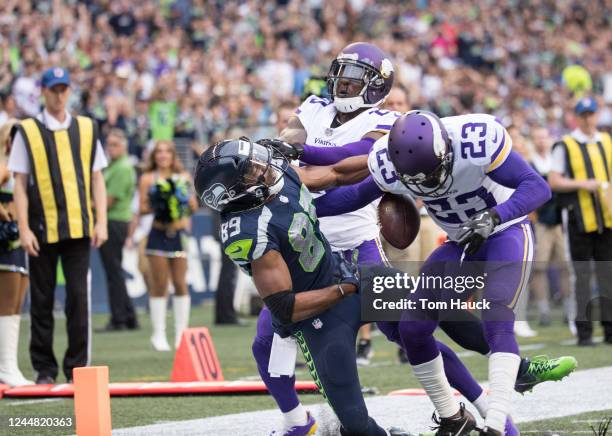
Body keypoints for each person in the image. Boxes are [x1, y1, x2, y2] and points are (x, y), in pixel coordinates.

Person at [277, 111, 578, 435]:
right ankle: (453, 419)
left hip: (505, 231)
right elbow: (354, 196)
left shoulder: (476, 139)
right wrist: (292, 206)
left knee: (496, 317)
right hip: (460, 242)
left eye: (432, 173)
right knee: (413, 327)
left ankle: (496, 427)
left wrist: (494, 216)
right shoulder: (388, 160)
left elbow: (537, 187)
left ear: (446, 150)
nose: (428, 184)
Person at [254, 42, 400, 434]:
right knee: (267, 341)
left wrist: (298, 151)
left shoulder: (387, 121)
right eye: (341, 75)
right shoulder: (315, 107)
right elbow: (288, 141)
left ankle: (462, 406)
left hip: (357, 244)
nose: (343, 85)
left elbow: (348, 159)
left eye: (355, 80)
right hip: (306, 249)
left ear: (376, 86)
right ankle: (297, 422)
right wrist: (284, 149)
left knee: (405, 329)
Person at [9, 67, 108, 384]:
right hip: (41, 228)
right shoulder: (27, 130)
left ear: (69, 91)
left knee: (78, 298)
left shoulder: (87, 128)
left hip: (79, 227)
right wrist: (23, 228)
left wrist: (102, 221)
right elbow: (20, 184)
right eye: (54, 89)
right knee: (41, 300)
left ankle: (77, 368)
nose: (59, 94)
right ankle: (45, 369)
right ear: (44, 92)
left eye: (64, 88)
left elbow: (97, 178)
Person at [548, 97, 612, 346]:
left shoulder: (606, 141)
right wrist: (583, 184)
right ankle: (584, 332)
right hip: (578, 218)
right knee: (582, 275)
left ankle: (609, 330)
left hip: (606, 219)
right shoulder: (565, 144)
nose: (588, 119)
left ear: (597, 115)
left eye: (591, 114)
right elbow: (554, 180)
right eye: (583, 114)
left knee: (607, 274)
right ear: (577, 116)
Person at [139, 140, 198, 351]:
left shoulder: (183, 177)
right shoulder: (148, 178)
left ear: (173, 156)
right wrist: (159, 202)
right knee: (160, 284)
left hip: (179, 234)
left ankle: (181, 334)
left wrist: (188, 204)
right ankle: (158, 334)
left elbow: (192, 205)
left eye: (167, 152)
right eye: (159, 152)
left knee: (181, 283)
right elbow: (142, 208)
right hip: (157, 233)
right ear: (154, 156)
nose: (163, 156)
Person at [0, 119, 32, 387]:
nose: (16, 139)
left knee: (17, 303)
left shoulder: (24, 168)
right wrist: (6, 215)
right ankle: (6, 366)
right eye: (12, 135)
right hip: (5, 241)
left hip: (20, 240)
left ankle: (10, 364)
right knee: (7, 304)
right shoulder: (4, 167)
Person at [529, 126, 572, 328]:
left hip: (559, 222)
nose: (541, 141)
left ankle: (568, 308)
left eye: (544, 137)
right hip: (542, 221)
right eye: (537, 137)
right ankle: (544, 310)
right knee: (540, 267)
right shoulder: (531, 163)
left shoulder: (556, 161)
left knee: (565, 266)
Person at [97, 129, 139, 332]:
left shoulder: (121, 168)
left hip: (114, 221)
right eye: (109, 144)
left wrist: (87, 204)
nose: (110, 148)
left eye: (115, 144)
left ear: (123, 146)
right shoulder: (114, 166)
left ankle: (119, 318)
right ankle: (128, 315)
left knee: (114, 273)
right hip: (116, 221)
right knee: (116, 272)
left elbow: (107, 201)